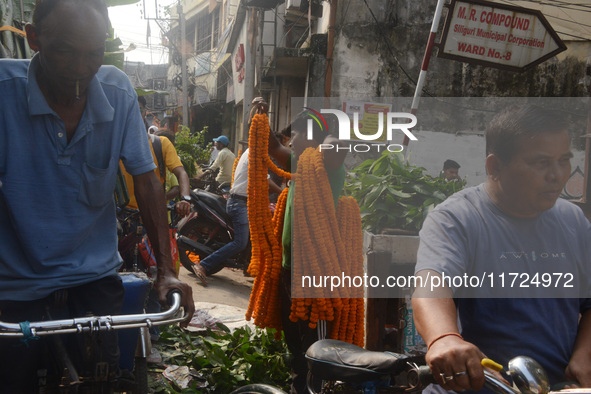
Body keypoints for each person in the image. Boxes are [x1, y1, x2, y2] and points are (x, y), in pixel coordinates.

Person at [0, 0, 194, 390]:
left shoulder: (117, 90)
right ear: (34, 38)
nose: (80, 67)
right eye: (65, 51)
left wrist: (168, 272)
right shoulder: (3, 92)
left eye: (93, 53)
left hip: (94, 275)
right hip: (14, 282)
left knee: (104, 379)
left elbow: (147, 181)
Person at [412, 105, 591, 392]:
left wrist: (584, 354)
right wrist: (444, 338)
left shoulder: (573, 221)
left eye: (564, 160)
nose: (558, 175)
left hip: (557, 386)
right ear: (494, 167)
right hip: (482, 385)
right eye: (541, 162)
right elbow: (431, 287)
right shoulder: (457, 219)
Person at [265, 99, 347, 393]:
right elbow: (273, 147)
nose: (291, 141)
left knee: (316, 344)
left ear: (311, 135)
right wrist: (260, 115)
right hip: (290, 269)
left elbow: (337, 146)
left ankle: (318, 387)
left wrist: (324, 130)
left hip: (315, 274)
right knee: (295, 340)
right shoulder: (299, 165)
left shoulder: (327, 166)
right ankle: (298, 385)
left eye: (296, 134)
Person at [191, 146, 282, 285]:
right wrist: (283, 192)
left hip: (243, 202)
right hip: (239, 204)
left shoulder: (250, 151)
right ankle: (203, 264)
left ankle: (249, 267)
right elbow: (265, 180)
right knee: (240, 242)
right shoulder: (254, 154)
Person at [121, 97, 191, 218]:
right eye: (130, 111)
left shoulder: (161, 143)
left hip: (153, 214)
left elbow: (181, 172)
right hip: (122, 215)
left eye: (139, 110)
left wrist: (185, 198)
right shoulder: (115, 145)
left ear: (145, 113)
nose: (135, 115)